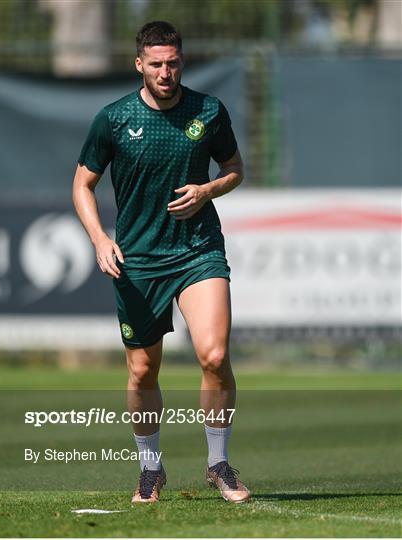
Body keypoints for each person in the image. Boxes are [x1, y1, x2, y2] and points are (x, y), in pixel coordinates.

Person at [73, 20, 250, 504]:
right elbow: (82, 184)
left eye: (172, 62)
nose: (165, 71)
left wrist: (207, 189)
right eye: (156, 64)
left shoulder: (208, 111)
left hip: (198, 250)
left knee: (214, 355)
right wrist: (98, 238)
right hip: (139, 259)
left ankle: (219, 464)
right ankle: (150, 469)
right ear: (139, 65)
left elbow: (234, 170)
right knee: (142, 371)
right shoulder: (113, 118)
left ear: (181, 62)